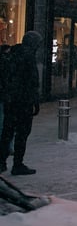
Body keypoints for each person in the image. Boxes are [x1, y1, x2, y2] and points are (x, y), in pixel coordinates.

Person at [0, 31, 42, 175]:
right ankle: (17, 164)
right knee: (21, 134)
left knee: (7, 132)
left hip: (10, 101)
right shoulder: (28, 57)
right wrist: (35, 102)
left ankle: (1, 162)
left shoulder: (11, 54)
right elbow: (32, 82)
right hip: (23, 102)